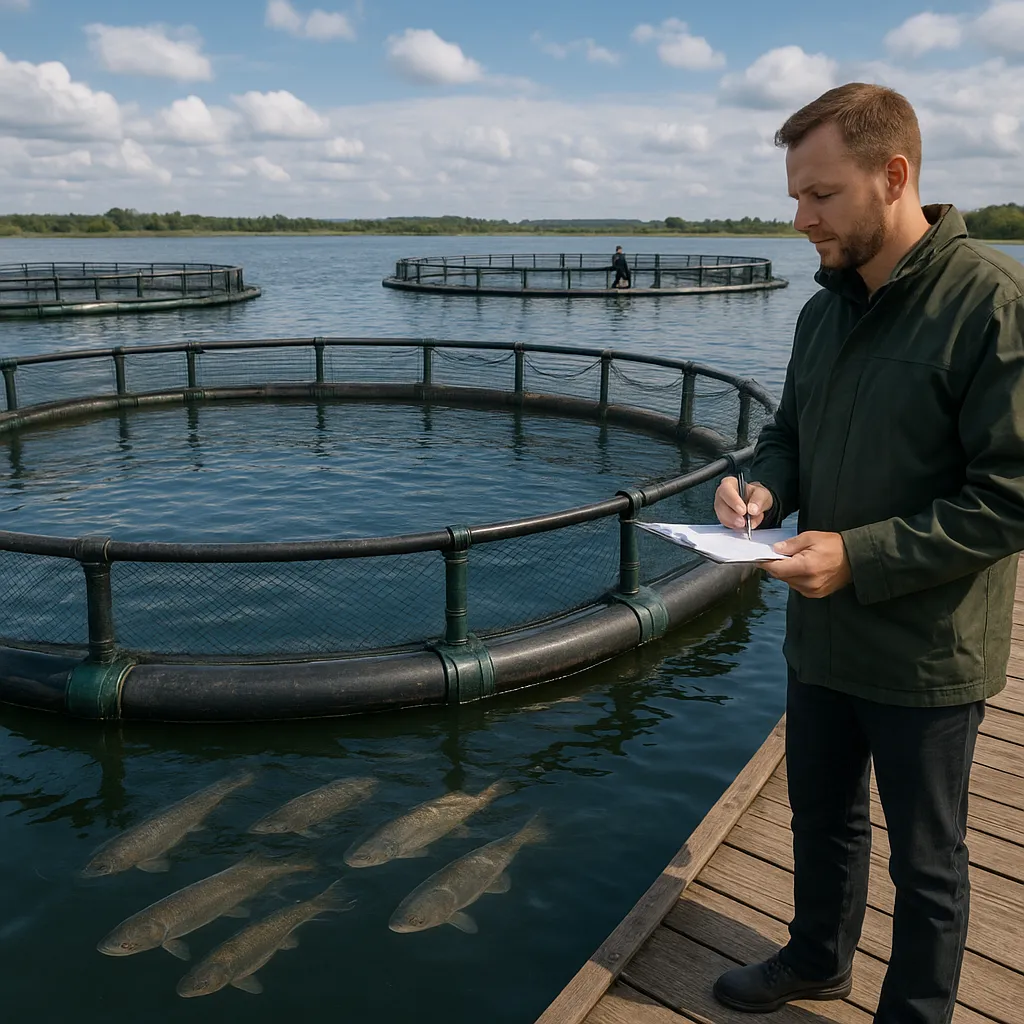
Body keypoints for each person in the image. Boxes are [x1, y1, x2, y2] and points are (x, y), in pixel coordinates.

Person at [711, 83, 1024, 1024]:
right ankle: (817, 961)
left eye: (821, 194)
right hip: (823, 633)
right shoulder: (823, 312)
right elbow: (788, 436)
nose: (800, 218)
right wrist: (764, 489)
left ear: (895, 176)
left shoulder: (992, 303)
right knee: (822, 817)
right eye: (796, 196)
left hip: (928, 647)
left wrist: (861, 556)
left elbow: (1010, 496)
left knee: (928, 860)